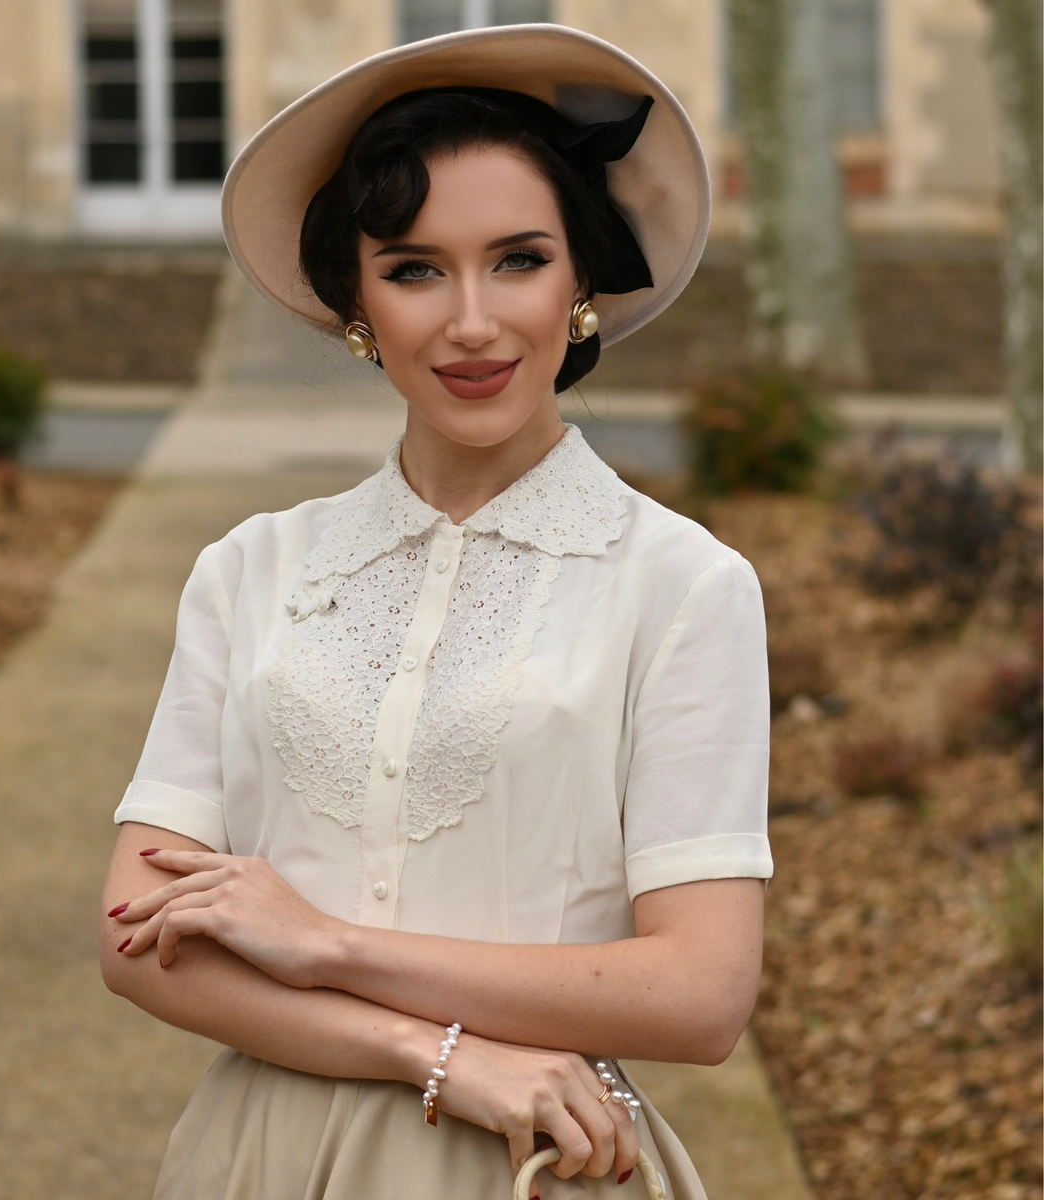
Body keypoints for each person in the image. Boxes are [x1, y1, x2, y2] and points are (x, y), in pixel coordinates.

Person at [99, 25, 772, 1200]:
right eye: (414, 268)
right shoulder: (250, 569)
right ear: (357, 304)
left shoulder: (683, 586)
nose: (471, 322)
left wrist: (333, 946)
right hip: (258, 1159)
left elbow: (702, 995)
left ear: (580, 286)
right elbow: (134, 938)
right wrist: (436, 1056)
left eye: (517, 260)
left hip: (545, 1162)